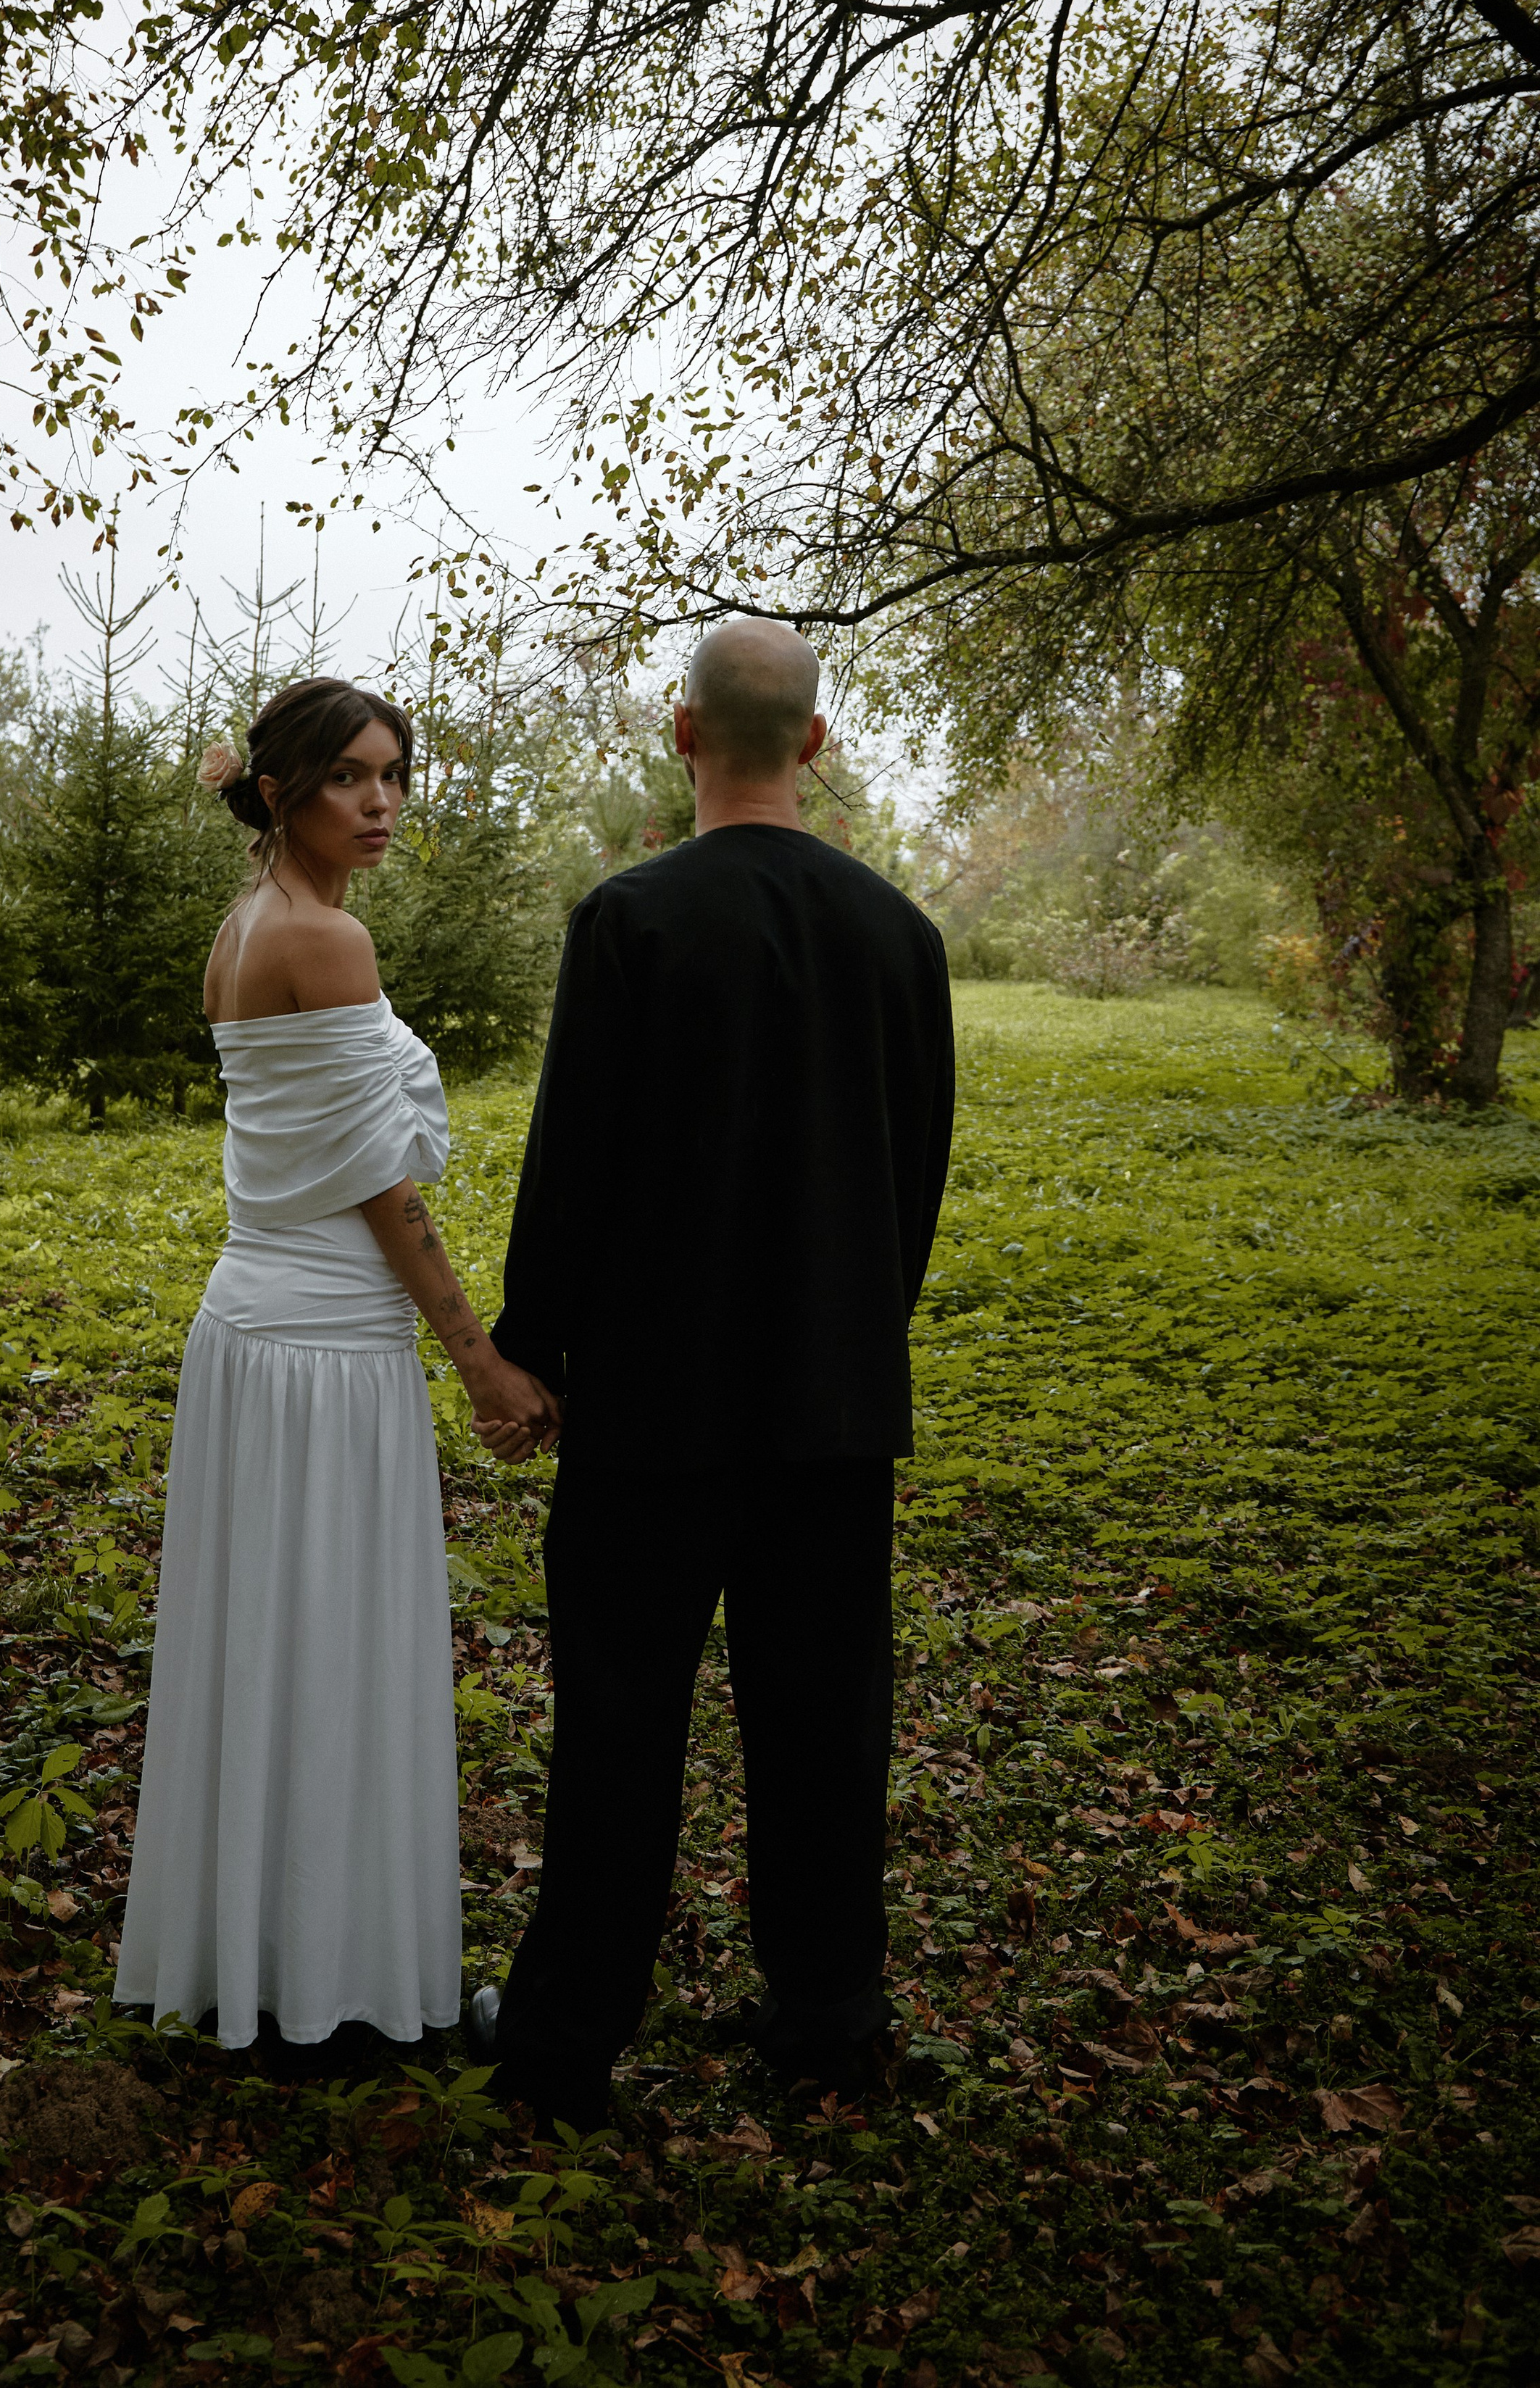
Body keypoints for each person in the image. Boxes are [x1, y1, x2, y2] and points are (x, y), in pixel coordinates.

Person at [466, 619, 954, 2123]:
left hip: (651, 1413)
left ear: (681, 734)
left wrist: (529, 1343)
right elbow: (911, 1175)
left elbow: (575, 1166)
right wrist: (861, 1332)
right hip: (830, 1402)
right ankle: (826, 2020)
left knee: (620, 1719)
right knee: (822, 1723)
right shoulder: (898, 934)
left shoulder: (633, 920)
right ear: (810, 742)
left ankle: (560, 2045)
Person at [115, 678, 558, 2055]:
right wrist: (481, 1360)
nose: (380, 803)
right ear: (281, 790)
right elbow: (383, 1191)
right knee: (327, 1642)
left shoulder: (250, 926)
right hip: (320, 1345)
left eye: (394, 776)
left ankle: (274, 1959)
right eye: (350, 779)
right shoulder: (321, 943)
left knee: (277, 1642)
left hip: (255, 1323)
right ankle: (331, 1990)